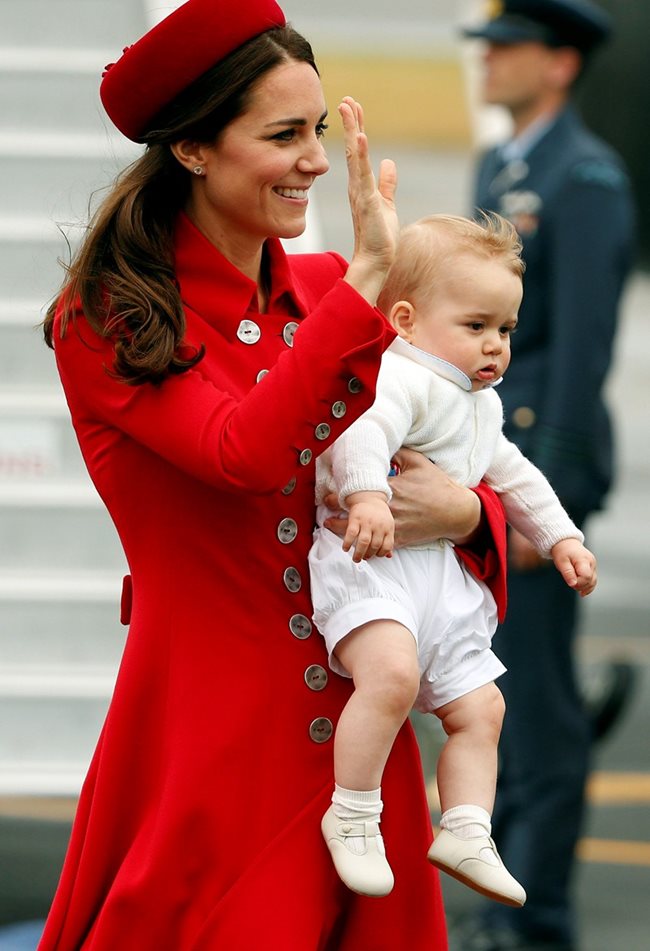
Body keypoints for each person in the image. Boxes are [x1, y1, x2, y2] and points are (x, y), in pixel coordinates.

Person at [34, 1, 512, 948]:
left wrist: (465, 510)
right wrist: (368, 283)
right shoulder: (108, 318)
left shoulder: (332, 293)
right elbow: (243, 454)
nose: (318, 162)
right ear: (194, 150)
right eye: (284, 134)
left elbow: (470, 446)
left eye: (320, 131)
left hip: (357, 759)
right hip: (210, 744)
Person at [309, 212, 597, 906]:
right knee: (392, 678)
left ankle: (467, 826)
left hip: (439, 579)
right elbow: (359, 435)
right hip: (373, 564)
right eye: (476, 326)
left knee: (483, 706)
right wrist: (370, 497)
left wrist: (562, 537)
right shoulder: (397, 378)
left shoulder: (481, 404)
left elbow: (516, 475)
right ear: (405, 320)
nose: (495, 345)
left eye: (504, 329)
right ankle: (351, 811)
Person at [454, 1, 637, 948]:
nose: (487, 62)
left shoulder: (584, 177)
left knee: (538, 716)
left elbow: (580, 353)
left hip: (532, 482)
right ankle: (506, 905)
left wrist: (546, 499)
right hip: (487, 471)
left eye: (508, 48)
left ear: (560, 63)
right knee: (497, 700)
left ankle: (537, 922)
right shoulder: (508, 167)